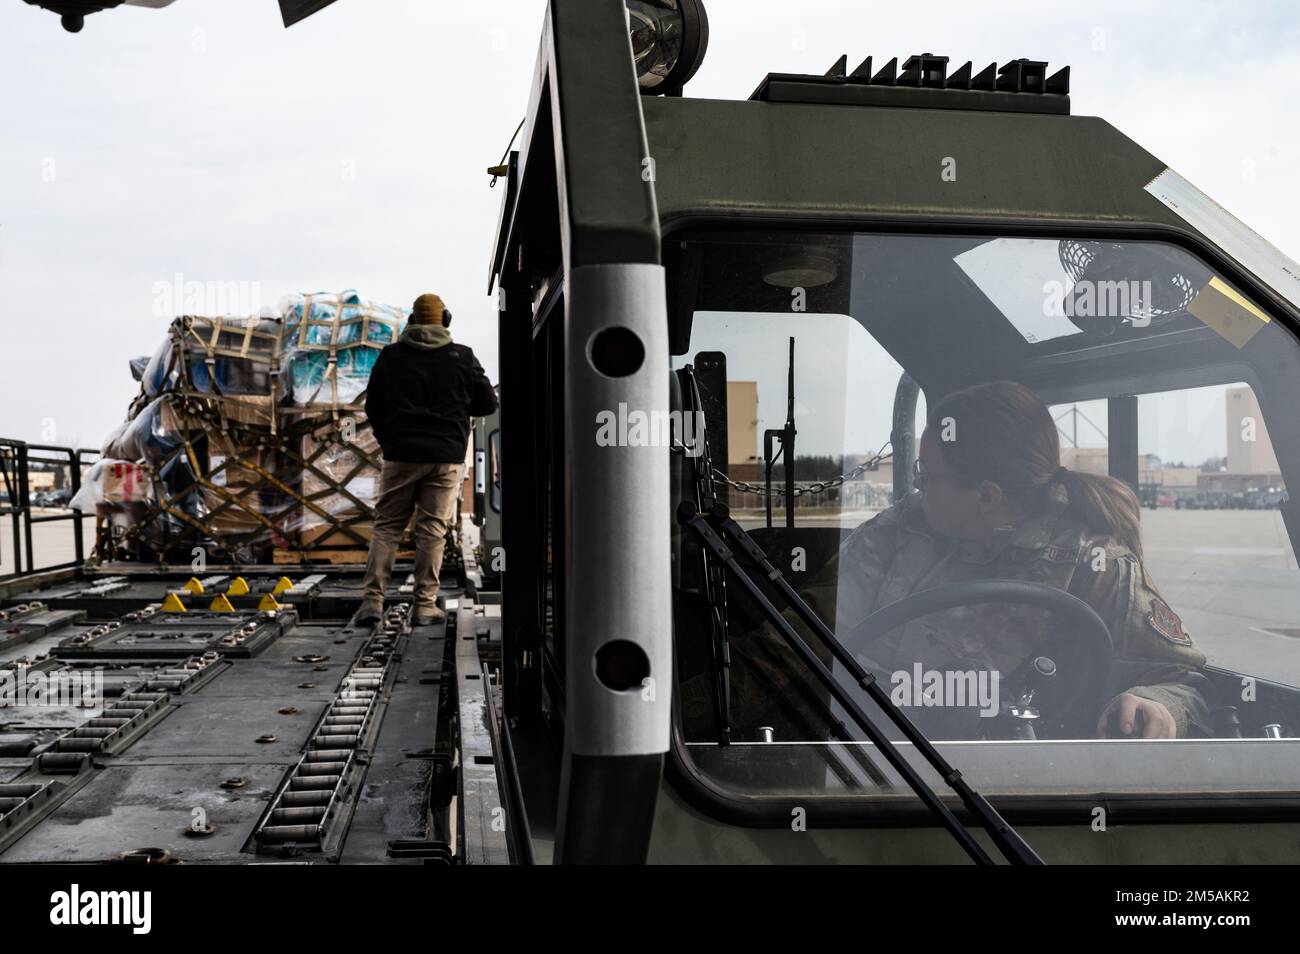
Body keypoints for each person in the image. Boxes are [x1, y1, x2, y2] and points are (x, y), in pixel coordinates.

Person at [690, 380, 1214, 741]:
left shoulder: (1094, 567)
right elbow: (797, 641)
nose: (918, 486)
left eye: (929, 474)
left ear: (986, 496)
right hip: (862, 760)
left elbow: (1179, 678)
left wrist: (1156, 704)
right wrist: (680, 720)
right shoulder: (903, 529)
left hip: (1005, 790)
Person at [352, 293, 497, 627]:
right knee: (433, 529)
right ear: (444, 320)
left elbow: (373, 405)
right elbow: (488, 403)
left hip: (401, 455)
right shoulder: (463, 357)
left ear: (412, 322)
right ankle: (424, 605)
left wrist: (389, 440)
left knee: (387, 527)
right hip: (445, 458)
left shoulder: (391, 356)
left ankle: (372, 602)